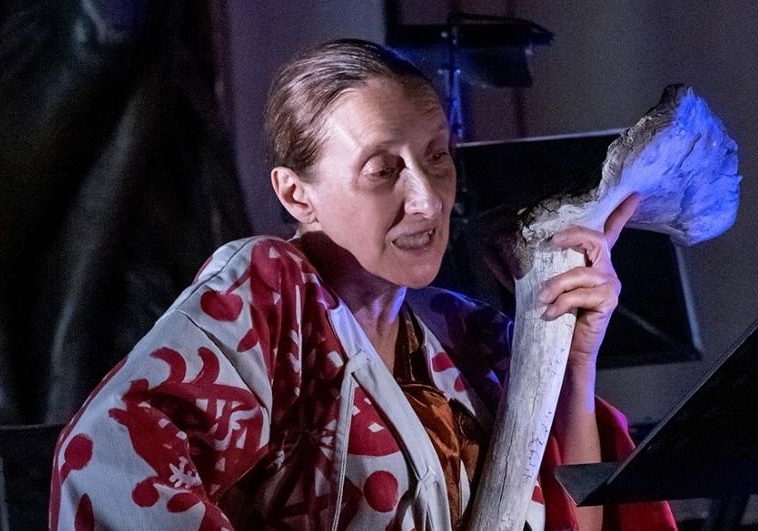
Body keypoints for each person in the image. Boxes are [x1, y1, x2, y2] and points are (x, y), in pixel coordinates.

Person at [49, 39, 676, 530]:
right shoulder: (272, 296)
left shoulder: (467, 336)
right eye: (383, 170)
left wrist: (574, 363)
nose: (428, 200)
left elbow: (575, 523)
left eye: (437, 156)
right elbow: (106, 458)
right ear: (297, 195)